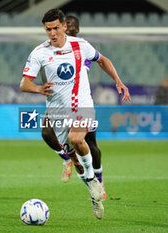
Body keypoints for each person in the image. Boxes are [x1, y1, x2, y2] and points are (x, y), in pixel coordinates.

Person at [20, 9, 131, 219]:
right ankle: (92, 190)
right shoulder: (39, 53)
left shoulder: (80, 45)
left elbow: (103, 60)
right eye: (48, 29)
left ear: (63, 26)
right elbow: (24, 83)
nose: (52, 33)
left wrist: (118, 81)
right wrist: (38, 88)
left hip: (83, 105)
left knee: (77, 138)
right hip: (57, 112)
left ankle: (93, 180)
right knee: (75, 159)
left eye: (55, 28)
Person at [41, 14, 105, 200]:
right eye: (64, 26)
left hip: (80, 103)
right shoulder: (50, 48)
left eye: (69, 27)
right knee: (46, 132)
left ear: (76, 30)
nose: (65, 29)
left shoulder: (80, 48)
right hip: (58, 102)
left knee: (91, 144)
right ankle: (68, 159)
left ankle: (99, 181)